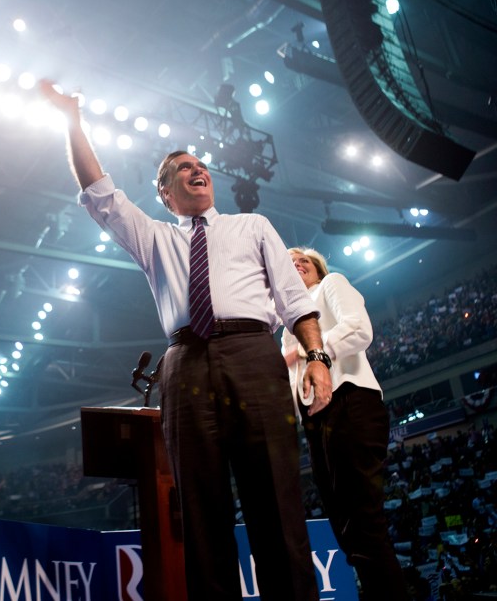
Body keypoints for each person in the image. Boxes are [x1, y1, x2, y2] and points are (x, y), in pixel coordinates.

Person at [39, 79, 333, 601]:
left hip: (252, 355)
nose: (198, 170)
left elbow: (295, 301)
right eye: (183, 168)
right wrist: (71, 119)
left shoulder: (253, 226)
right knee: (200, 510)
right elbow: (98, 194)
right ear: (165, 192)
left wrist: (317, 358)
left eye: (201, 165)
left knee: (277, 501)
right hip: (185, 364)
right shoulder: (155, 237)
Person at [281, 247, 408, 600]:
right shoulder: (287, 325)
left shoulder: (331, 284)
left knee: (364, 521)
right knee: (346, 527)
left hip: (351, 400)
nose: (298, 263)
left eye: (304, 259)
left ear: (318, 268)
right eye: (289, 263)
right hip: (315, 420)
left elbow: (358, 328)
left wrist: (306, 353)